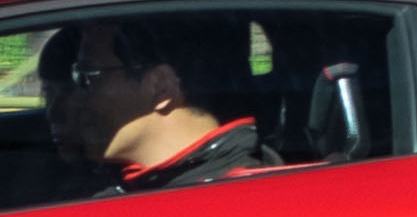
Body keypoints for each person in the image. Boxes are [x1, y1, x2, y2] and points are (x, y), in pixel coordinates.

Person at [49, 10, 275, 193]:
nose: (76, 99)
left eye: (88, 77)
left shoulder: (240, 200)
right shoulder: (140, 186)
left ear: (160, 86)